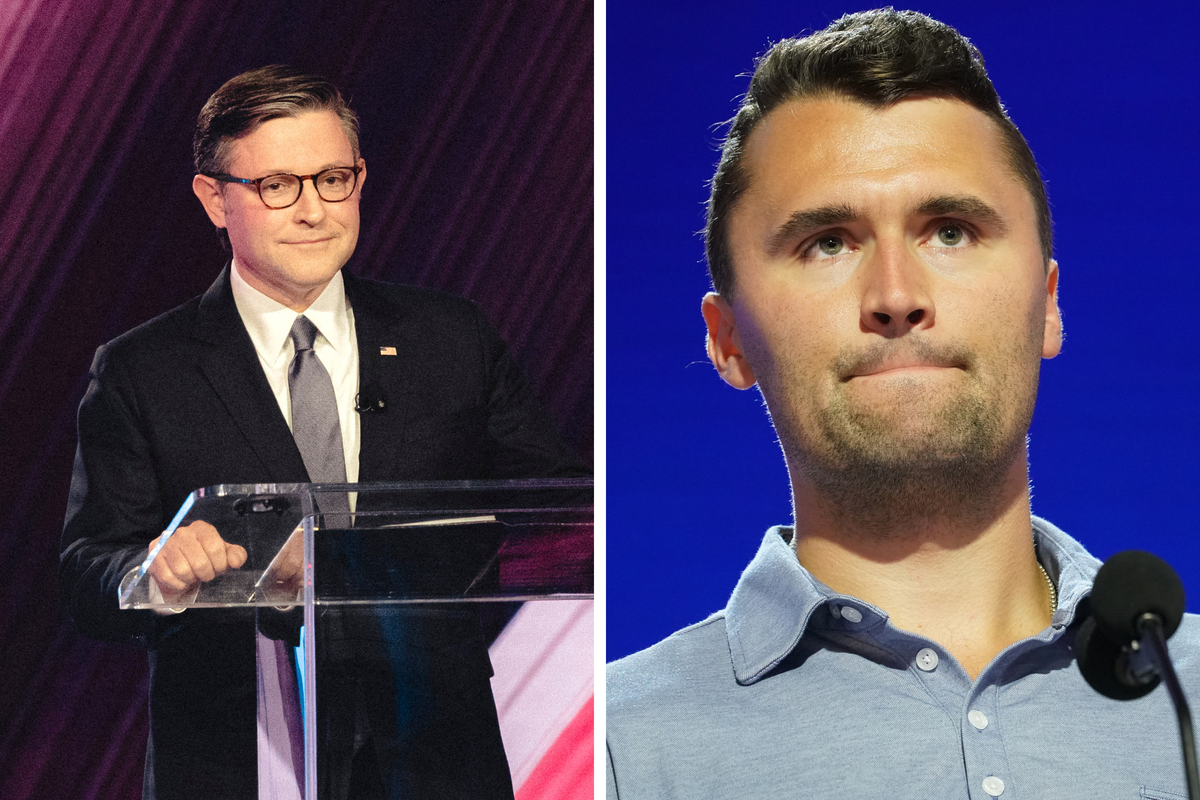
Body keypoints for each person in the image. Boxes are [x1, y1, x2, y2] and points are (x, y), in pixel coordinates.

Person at [605, 9, 1200, 799]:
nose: (896, 296)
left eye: (950, 232)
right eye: (827, 242)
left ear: (1048, 303)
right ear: (728, 340)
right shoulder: (618, 749)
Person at [60, 65, 582, 800]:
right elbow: (86, 572)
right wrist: (151, 572)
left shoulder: (450, 337)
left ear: (360, 178)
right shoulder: (143, 370)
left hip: (435, 750)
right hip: (238, 756)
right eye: (278, 185)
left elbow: (555, 518)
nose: (314, 210)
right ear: (215, 199)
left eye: (333, 178)